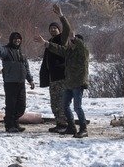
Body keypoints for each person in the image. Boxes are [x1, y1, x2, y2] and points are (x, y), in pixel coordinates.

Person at [36, 9, 91, 138]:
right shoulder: (69, 52)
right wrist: (45, 43)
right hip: (68, 83)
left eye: (73, 41)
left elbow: (77, 42)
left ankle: (83, 128)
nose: (71, 42)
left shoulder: (82, 52)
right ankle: (71, 127)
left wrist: (61, 16)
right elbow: (59, 49)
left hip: (77, 83)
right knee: (64, 106)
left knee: (77, 107)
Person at [0, 30, 36, 133]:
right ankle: (9, 125)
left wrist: (30, 80)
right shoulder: (6, 51)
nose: (17, 40)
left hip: (21, 83)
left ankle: (15, 122)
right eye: (15, 39)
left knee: (21, 106)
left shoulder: (22, 53)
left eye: (19, 39)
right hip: (10, 82)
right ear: (11, 40)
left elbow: (26, 68)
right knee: (11, 105)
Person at [38, 2, 69, 133]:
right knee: (54, 103)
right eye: (51, 29)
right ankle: (59, 123)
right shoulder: (49, 42)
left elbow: (67, 28)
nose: (52, 30)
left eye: (55, 28)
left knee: (62, 102)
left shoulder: (62, 39)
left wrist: (61, 16)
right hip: (52, 78)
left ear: (59, 30)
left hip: (61, 77)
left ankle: (65, 123)